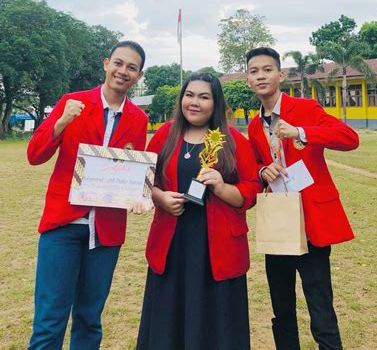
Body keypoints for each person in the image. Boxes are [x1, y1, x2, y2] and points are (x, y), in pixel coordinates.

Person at [27, 40, 148, 350]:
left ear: (138, 76)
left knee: (89, 318)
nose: (123, 71)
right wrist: (62, 121)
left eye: (131, 68)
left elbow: (133, 174)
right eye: (118, 63)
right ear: (106, 63)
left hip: (106, 232)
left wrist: (139, 196)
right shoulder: (72, 102)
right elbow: (35, 155)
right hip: (63, 226)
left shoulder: (138, 119)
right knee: (49, 321)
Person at [245, 46, 359, 350]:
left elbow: (350, 139)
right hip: (278, 222)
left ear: (280, 75)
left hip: (312, 223)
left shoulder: (306, 108)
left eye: (267, 70)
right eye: (254, 71)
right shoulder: (255, 125)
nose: (261, 76)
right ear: (248, 80)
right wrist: (262, 170)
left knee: (320, 304)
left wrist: (301, 133)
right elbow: (254, 165)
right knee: (281, 307)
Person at [136, 73, 260, 350]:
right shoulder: (165, 135)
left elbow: (251, 191)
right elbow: (143, 179)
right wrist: (160, 197)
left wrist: (221, 187)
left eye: (204, 97)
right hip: (173, 243)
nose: (195, 102)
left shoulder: (233, 140)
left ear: (216, 103)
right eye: (189, 95)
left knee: (217, 322)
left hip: (217, 246)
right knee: (169, 318)